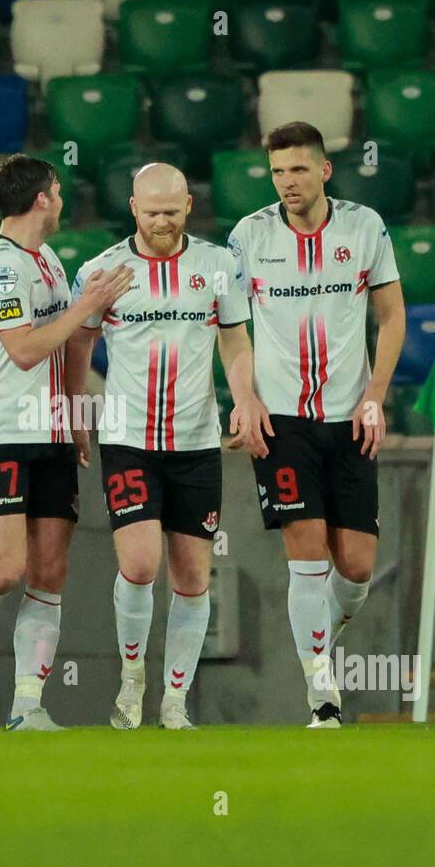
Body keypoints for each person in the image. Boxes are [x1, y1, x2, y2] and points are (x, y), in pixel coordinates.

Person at [0, 154, 131, 730]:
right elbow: (24, 348)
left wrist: (76, 413)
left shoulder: (51, 263)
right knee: (5, 570)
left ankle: (27, 707)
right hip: (1, 432)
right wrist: (87, 307)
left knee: (50, 572)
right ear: (42, 199)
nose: (60, 201)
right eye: (57, 192)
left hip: (52, 433)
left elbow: (61, 353)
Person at [65, 163, 267, 730]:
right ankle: (132, 680)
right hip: (129, 440)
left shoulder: (217, 266)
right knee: (138, 562)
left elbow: (234, 340)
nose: (160, 221)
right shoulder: (103, 270)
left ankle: (174, 700)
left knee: (193, 578)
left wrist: (245, 398)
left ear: (188, 209)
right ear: (133, 207)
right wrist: (77, 410)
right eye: (151, 211)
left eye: (171, 211)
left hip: (196, 442)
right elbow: (79, 343)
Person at [226, 122, 406, 728]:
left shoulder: (364, 226)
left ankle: (316, 644)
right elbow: (230, 328)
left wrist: (375, 396)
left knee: (355, 567)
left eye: (298, 170)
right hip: (282, 422)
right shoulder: (249, 236)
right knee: (305, 555)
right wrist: (244, 399)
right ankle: (323, 697)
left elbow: (393, 315)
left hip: (349, 416)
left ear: (324, 170)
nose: (287, 183)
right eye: (278, 172)